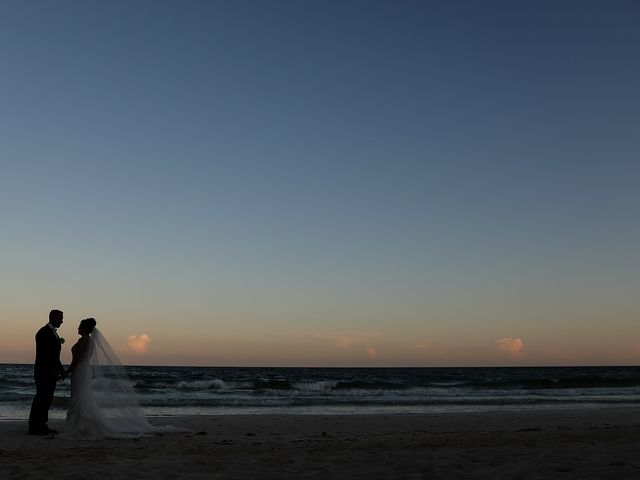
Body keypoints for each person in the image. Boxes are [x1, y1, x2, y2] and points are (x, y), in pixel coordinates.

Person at [60, 318, 155, 438]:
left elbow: (77, 359)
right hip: (83, 370)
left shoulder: (85, 341)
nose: (78, 327)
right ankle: (80, 425)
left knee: (79, 396)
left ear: (85, 328)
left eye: (80, 325)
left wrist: (67, 372)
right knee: (81, 396)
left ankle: (81, 426)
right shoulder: (86, 340)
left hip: (80, 370)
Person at [28, 309, 66, 435]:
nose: (62, 321)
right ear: (53, 317)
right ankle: (34, 427)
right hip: (44, 372)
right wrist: (51, 371)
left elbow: (55, 355)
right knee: (41, 398)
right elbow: (44, 355)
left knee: (47, 399)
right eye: (60, 318)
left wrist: (60, 370)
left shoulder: (52, 333)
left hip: (50, 371)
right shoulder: (43, 333)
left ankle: (42, 424)